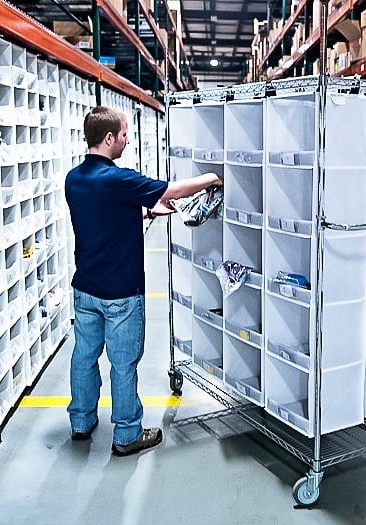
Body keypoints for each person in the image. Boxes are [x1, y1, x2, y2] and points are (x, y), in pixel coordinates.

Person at [65, 106, 221, 456]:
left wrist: (146, 210)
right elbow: (174, 190)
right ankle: (127, 435)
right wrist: (211, 178)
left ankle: (81, 420)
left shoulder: (75, 179)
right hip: (120, 291)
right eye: (123, 134)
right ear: (108, 138)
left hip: (85, 288)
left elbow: (103, 214)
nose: (127, 139)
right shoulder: (118, 179)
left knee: (84, 356)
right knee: (123, 364)